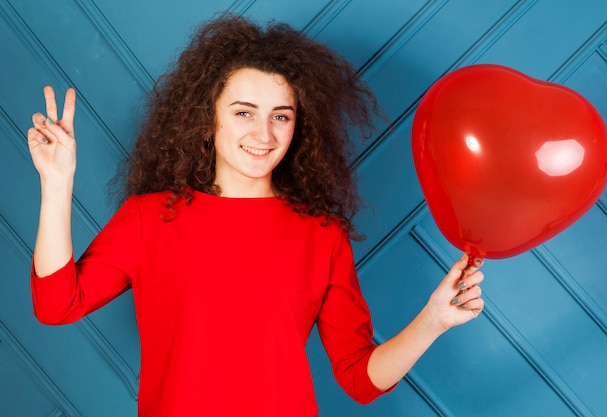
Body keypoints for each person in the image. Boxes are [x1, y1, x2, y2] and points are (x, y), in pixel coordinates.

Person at [27, 14, 484, 417]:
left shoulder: (321, 235)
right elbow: (56, 305)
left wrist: (433, 321)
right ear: (209, 118)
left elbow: (360, 380)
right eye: (244, 112)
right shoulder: (150, 218)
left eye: (281, 117)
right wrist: (56, 182)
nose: (263, 134)